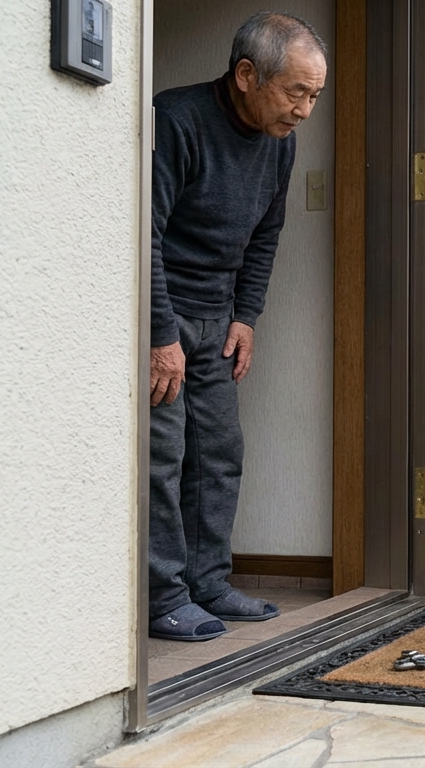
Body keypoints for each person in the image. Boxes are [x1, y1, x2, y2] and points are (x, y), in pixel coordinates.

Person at [147, 12, 327, 641]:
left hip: (218, 320)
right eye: (296, 92)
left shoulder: (280, 142)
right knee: (163, 458)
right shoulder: (175, 119)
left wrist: (246, 317)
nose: (304, 110)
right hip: (165, 316)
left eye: (314, 96)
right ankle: (163, 596)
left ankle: (208, 583)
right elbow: (143, 234)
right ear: (247, 74)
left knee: (219, 455)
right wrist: (159, 334)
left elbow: (266, 235)